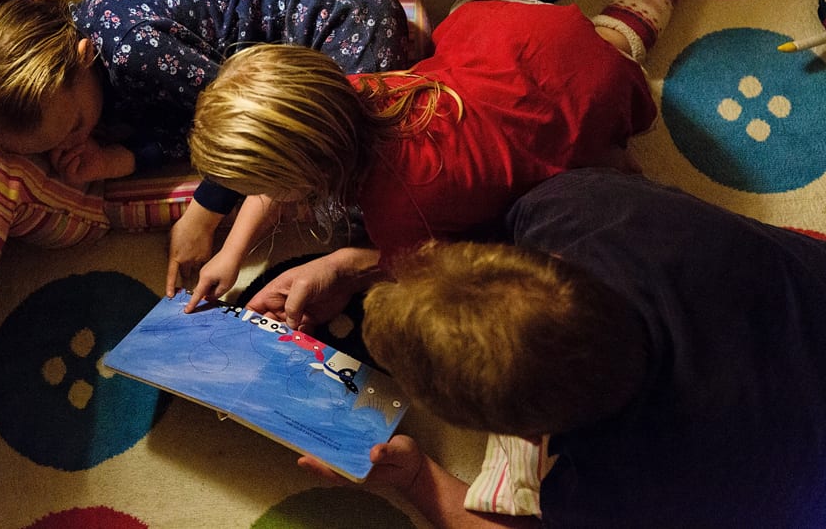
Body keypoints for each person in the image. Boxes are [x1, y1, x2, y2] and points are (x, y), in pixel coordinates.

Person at [184, 0, 706, 319]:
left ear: (303, 177)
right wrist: (231, 251)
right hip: (514, 41)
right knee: (472, 13)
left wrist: (347, 263)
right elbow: (301, 142)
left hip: (588, 90)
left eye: (261, 185)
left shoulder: (401, 211)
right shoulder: (350, 89)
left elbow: (444, 267)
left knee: (616, 42)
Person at [297, 167, 826, 528]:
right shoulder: (582, 207)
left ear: (527, 436)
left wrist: (416, 479)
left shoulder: (612, 496)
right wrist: (350, 265)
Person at [0, 0, 411, 292]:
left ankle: (409, 48)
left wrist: (202, 217)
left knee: (345, 194)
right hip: (296, 47)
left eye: (77, 124)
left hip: (344, 15)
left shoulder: (132, 49)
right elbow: (177, 122)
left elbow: (238, 124)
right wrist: (116, 160)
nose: (72, 141)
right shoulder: (86, 65)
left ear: (84, 58)